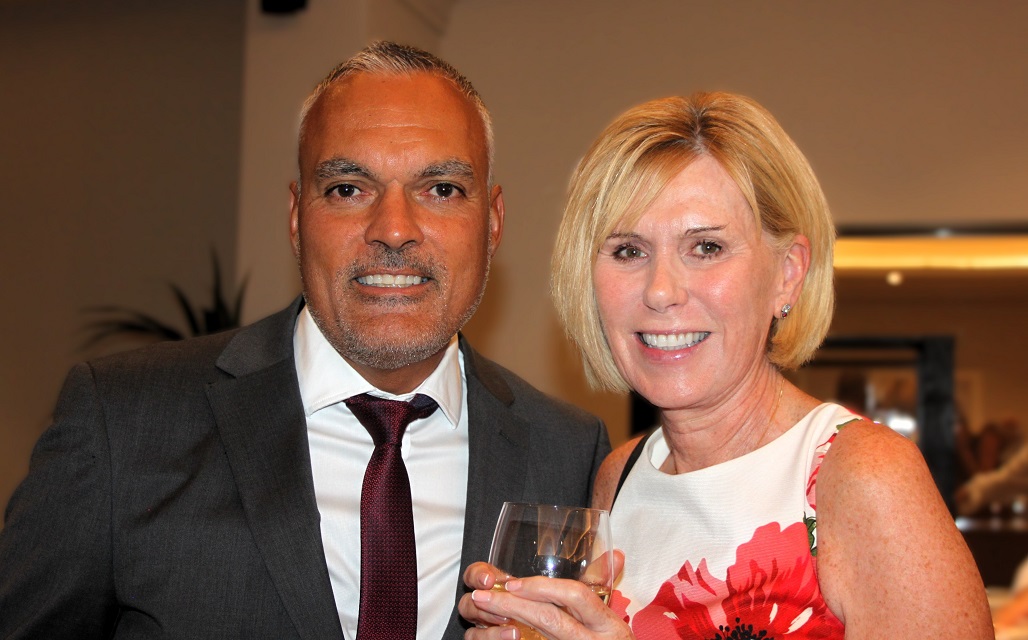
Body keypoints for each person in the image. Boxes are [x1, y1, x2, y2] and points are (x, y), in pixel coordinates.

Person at [0, 42, 610, 639]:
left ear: (493, 222)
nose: (394, 229)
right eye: (348, 188)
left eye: (441, 189)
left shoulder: (568, 452)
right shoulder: (121, 422)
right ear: (297, 217)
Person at [459, 92, 992, 638]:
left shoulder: (863, 475)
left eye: (706, 247)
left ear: (787, 273)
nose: (661, 290)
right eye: (628, 251)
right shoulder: (618, 478)